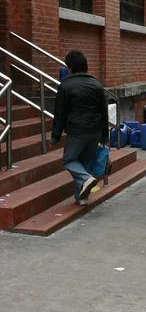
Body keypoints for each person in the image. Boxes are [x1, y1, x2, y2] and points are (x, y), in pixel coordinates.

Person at [49, 51, 109, 205]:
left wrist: (55, 136)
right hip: (95, 129)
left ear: (69, 68)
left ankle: (86, 179)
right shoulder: (96, 84)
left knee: (68, 160)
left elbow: (60, 112)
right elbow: (104, 111)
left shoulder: (66, 85)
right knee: (86, 163)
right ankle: (81, 197)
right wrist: (104, 135)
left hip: (77, 130)